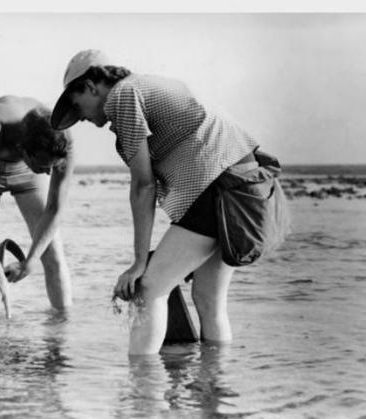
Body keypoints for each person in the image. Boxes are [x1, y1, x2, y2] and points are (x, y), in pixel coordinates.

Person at [51, 50, 286, 355]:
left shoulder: (122, 97)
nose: (78, 115)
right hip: (242, 188)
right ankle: (214, 393)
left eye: (75, 103)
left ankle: (142, 394)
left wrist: (138, 264)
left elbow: (143, 186)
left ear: (93, 86)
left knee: (148, 291)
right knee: (208, 300)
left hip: (217, 187)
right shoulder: (148, 85)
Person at [0, 95, 74, 318]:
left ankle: (62, 329)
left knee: (52, 253)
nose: (48, 173)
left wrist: (30, 261)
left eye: (52, 167)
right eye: (43, 166)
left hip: (27, 172)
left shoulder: (63, 135)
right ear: (22, 149)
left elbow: (55, 209)